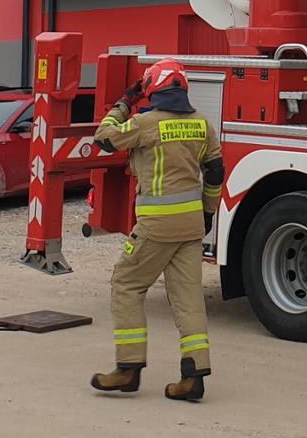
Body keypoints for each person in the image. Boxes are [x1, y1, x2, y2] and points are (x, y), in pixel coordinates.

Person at [89, 58, 224, 402]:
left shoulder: (145, 122)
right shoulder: (202, 124)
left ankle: (128, 368)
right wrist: (208, 213)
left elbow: (103, 137)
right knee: (189, 298)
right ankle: (193, 375)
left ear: (153, 88)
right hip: (192, 225)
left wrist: (124, 102)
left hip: (156, 226)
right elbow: (215, 172)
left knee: (126, 283)